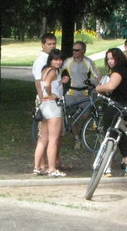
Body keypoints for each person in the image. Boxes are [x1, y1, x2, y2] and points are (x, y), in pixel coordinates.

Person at [94, 47, 127, 176]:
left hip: (114, 107)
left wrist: (98, 88)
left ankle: (107, 167)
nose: (110, 61)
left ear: (118, 58)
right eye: (108, 59)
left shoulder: (117, 72)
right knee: (122, 138)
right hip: (124, 106)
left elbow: (111, 86)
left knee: (110, 136)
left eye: (112, 58)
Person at [33, 49, 67, 177]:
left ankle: (37, 167)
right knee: (53, 140)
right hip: (52, 106)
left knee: (43, 139)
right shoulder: (52, 71)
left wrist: (60, 82)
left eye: (60, 60)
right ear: (51, 60)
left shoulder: (45, 70)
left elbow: (41, 83)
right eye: (55, 59)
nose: (58, 62)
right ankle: (52, 169)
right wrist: (51, 94)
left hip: (44, 105)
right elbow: (47, 84)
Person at [61, 41, 100, 148]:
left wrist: (99, 87)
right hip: (71, 92)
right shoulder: (68, 61)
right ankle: (77, 139)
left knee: (85, 116)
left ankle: (83, 133)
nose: (74, 52)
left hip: (84, 92)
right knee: (71, 116)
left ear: (83, 51)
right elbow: (58, 71)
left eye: (77, 50)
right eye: (73, 50)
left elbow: (98, 75)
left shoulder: (88, 62)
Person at [31, 32, 57, 170]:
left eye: (54, 44)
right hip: (45, 101)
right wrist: (43, 100)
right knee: (44, 136)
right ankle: (41, 164)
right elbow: (39, 83)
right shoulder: (41, 61)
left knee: (49, 135)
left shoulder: (52, 59)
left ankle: (47, 163)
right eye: (49, 44)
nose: (52, 46)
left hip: (50, 100)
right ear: (43, 44)